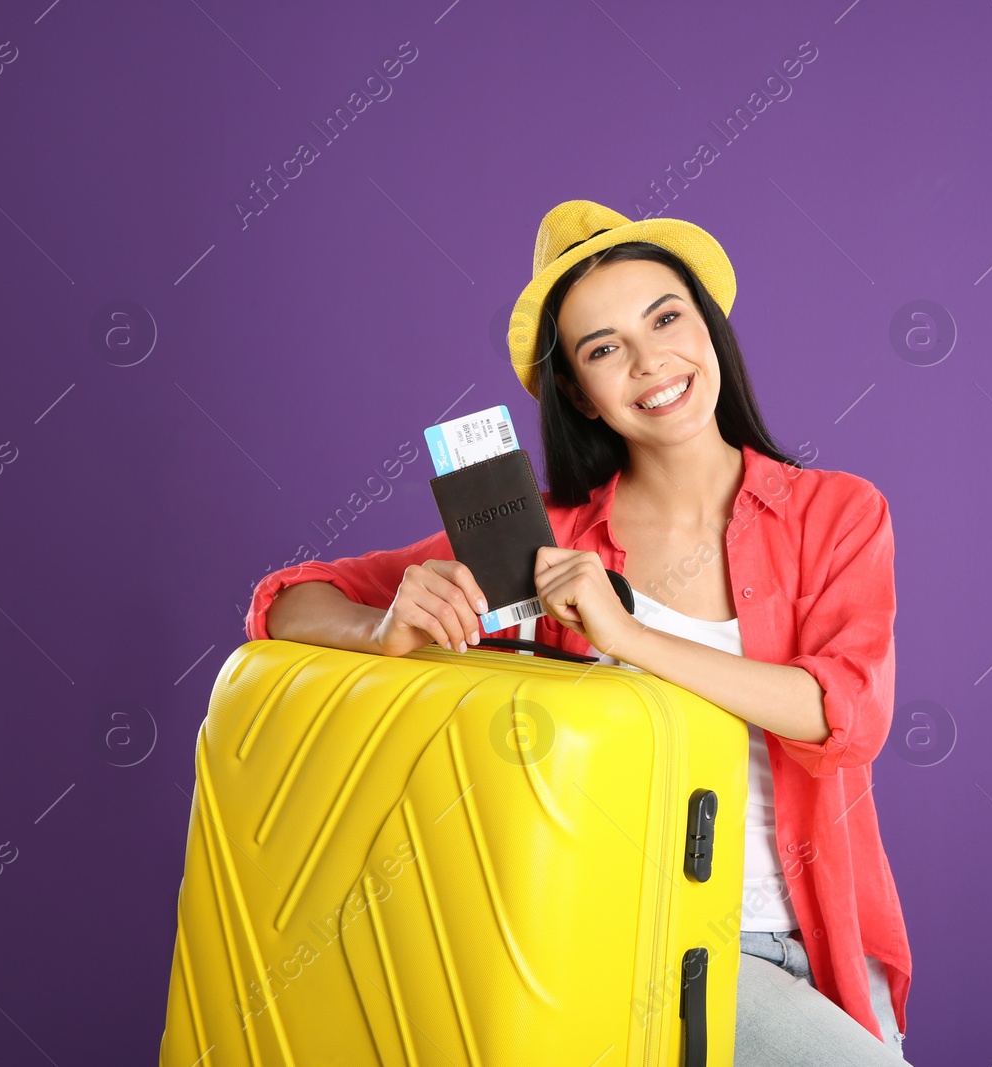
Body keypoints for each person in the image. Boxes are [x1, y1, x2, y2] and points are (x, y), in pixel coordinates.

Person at [245, 200, 911, 1063]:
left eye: (666, 318)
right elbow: (283, 602)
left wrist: (627, 634)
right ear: (577, 393)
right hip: (652, 942)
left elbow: (841, 715)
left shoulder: (836, 512)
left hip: (833, 943)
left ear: (708, 328)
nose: (650, 361)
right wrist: (384, 624)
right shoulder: (538, 542)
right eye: (604, 349)